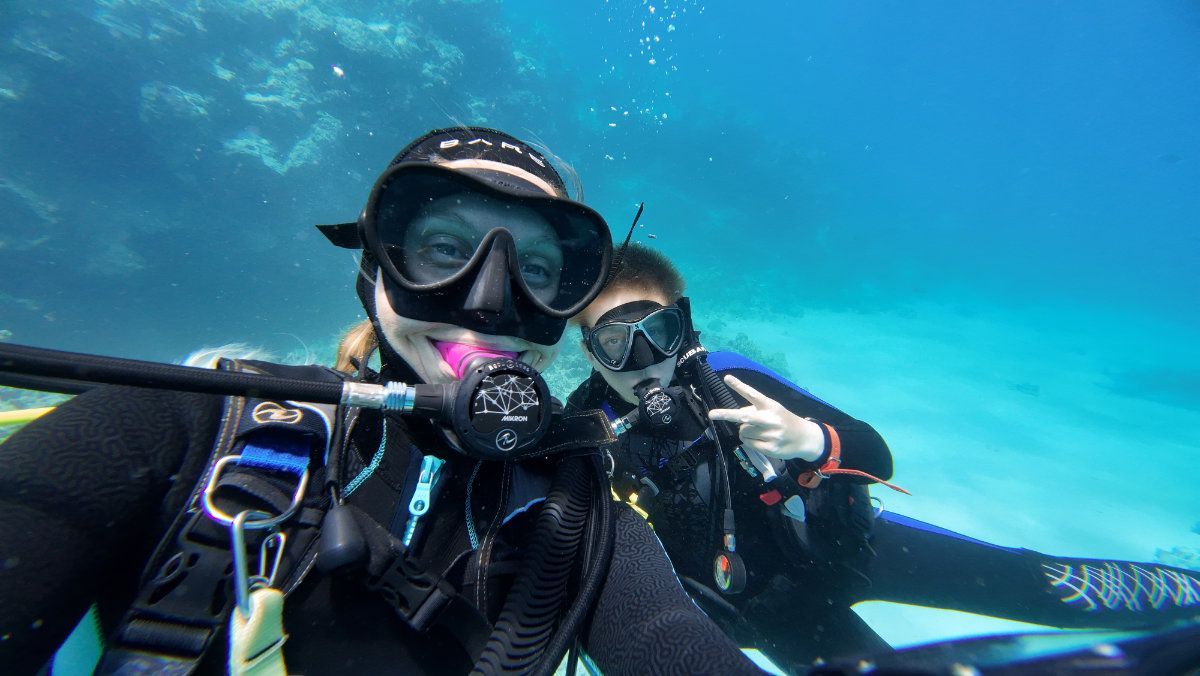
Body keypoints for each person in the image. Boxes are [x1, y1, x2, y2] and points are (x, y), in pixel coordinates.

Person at [0, 128, 762, 675]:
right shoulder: (183, 430)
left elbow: (670, 639)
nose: (488, 305)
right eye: (443, 249)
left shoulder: (571, 509)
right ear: (374, 270)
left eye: (536, 265)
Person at [566, 244, 1200, 673]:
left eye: (659, 334)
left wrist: (807, 439)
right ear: (588, 352)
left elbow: (876, 452)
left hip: (853, 547)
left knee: (1039, 586)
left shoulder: (729, 380)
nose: (643, 361)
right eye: (615, 345)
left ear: (687, 327)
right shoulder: (586, 426)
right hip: (768, 612)